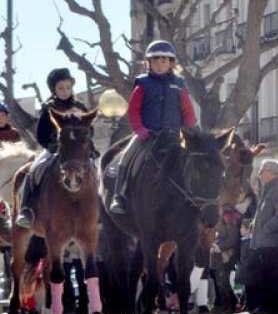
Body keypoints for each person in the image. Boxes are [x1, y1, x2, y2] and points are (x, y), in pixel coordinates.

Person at [109, 40, 199, 216]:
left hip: (174, 136)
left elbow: (188, 112)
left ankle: (196, 198)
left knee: (195, 160)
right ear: (148, 63)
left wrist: (192, 132)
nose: (159, 65)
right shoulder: (143, 84)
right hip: (148, 136)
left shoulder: (179, 85)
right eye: (155, 61)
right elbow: (133, 111)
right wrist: (140, 130)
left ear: (171, 63)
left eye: (164, 61)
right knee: (126, 157)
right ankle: (119, 196)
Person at [14, 67, 88, 228]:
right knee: (34, 169)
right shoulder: (48, 108)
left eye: (68, 88)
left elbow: (89, 128)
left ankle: (101, 206)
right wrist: (51, 146)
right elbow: (41, 134)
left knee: (98, 168)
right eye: (61, 88)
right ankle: (25, 209)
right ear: (54, 89)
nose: (65, 91)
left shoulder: (80, 106)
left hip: (78, 151)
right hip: (54, 149)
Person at [250, 160, 278, 314]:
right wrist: (254, 225)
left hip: (274, 242)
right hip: (263, 241)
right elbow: (261, 212)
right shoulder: (266, 189)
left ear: (271, 172)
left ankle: (274, 307)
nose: (260, 174)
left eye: (262, 171)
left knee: (275, 274)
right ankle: (265, 305)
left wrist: (265, 229)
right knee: (265, 274)